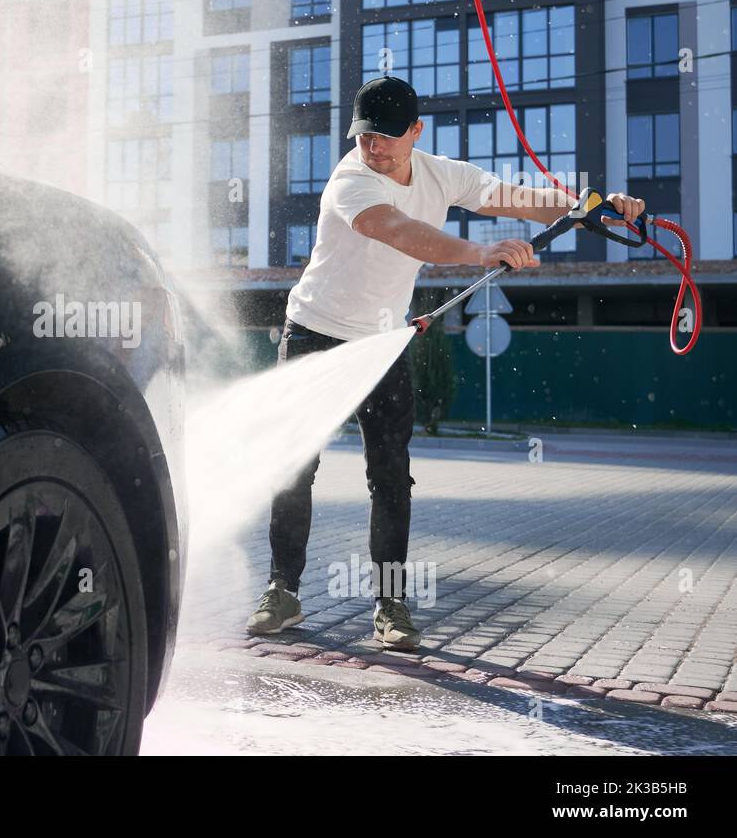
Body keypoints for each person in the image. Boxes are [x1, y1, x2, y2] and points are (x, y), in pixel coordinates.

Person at [246, 75, 646, 650]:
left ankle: (390, 606)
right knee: (295, 468)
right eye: (365, 136)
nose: (374, 147)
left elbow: (515, 198)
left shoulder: (441, 173)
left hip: (381, 344)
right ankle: (282, 590)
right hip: (313, 333)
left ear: (415, 132)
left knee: (390, 477)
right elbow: (400, 232)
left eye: (386, 136)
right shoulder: (350, 181)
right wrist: (479, 253)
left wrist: (597, 210)